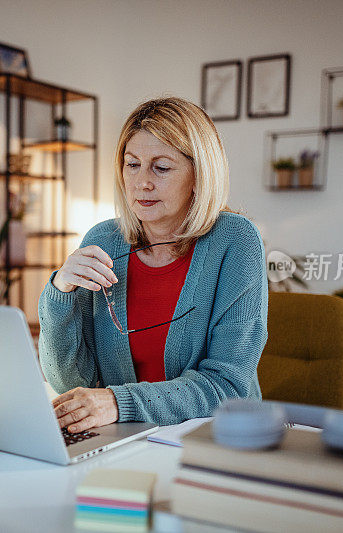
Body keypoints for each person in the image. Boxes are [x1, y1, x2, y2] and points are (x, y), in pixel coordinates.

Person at [38, 96, 267, 433]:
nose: (142, 182)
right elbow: (71, 383)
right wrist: (60, 294)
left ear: (199, 174)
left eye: (161, 167)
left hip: (216, 440)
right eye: (133, 164)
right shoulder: (101, 239)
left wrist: (118, 402)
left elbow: (226, 388)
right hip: (127, 438)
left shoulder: (236, 241)